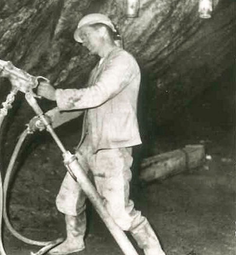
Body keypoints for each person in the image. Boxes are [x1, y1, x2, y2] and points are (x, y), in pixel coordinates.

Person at [34, 13, 166, 255]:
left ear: (103, 31)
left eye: (85, 35)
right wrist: (50, 116)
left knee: (120, 214)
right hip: (89, 145)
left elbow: (97, 94)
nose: (83, 42)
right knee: (69, 198)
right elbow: (86, 104)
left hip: (112, 147)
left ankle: (154, 252)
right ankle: (74, 240)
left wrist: (56, 94)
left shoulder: (123, 61)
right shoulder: (99, 67)